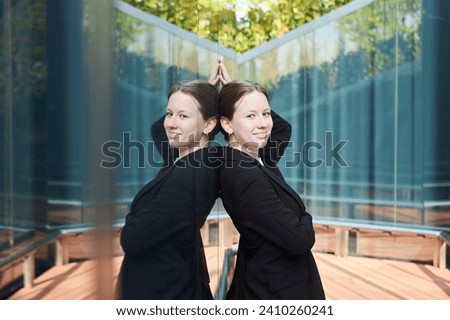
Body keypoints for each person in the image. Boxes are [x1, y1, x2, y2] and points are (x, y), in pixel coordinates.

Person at [218, 80, 325, 299]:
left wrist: (240, 91)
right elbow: (301, 240)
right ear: (227, 124)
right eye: (250, 116)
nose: (263, 123)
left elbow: (282, 129)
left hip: (271, 279)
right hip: (274, 291)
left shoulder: (255, 156)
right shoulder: (245, 176)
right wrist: (305, 216)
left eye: (265, 114)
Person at [116, 80, 220, 299]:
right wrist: (203, 94)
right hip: (173, 280)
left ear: (209, 125)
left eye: (183, 116)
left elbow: (132, 239)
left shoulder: (187, 176)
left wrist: (228, 96)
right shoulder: (191, 158)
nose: (171, 123)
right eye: (169, 113)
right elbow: (159, 129)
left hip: (165, 290)